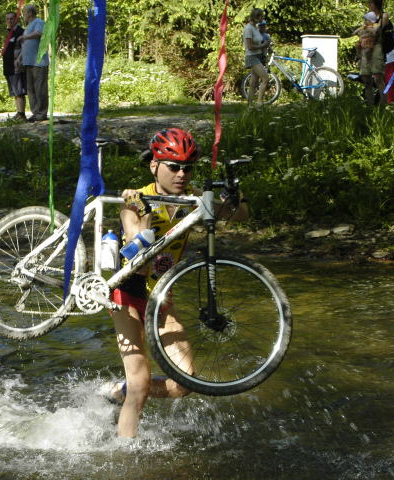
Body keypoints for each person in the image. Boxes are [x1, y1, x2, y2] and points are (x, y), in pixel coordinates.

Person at [99, 128, 248, 438]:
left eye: (188, 167)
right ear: (154, 165)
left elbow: (239, 214)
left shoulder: (194, 200)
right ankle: (125, 457)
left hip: (162, 296)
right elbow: (135, 244)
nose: (182, 174)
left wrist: (235, 193)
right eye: (174, 166)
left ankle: (118, 391)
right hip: (127, 294)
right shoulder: (134, 198)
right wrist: (141, 213)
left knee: (184, 383)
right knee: (140, 382)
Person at [16, 4, 48, 122]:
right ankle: (35, 112)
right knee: (31, 89)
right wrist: (20, 58)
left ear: (29, 13)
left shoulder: (38, 22)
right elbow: (26, 46)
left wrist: (25, 37)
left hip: (39, 62)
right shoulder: (29, 26)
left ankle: (42, 113)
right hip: (28, 62)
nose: (23, 15)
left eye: (24, 12)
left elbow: (39, 33)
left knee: (40, 88)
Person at [360, 0, 389, 106]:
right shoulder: (368, 17)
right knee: (366, 79)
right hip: (366, 49)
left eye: (371, 3)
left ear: (376, 4)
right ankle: (370, 105)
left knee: (378, 78)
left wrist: (370, 27)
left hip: (377, 48)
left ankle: (383, 105)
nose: (369, 6)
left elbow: (378, 29)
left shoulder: (383, 16)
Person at [3, 11, 27, 121]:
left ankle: (21, 114)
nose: (9, 21)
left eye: (11, 18)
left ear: (16, 19)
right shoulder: (8, 32)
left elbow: (24, 47)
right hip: (8, 66)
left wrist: (19, 59)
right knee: (14, 91)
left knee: (19, 91)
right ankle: (18, 112)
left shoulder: (20, 31)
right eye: (7, 19)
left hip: (16, 65)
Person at [243, 8, 268, 106]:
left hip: (258, 56)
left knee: (253, 82)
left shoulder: (255, 28)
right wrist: (263, 45)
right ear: (256, 17)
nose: (263, 18)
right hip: (252, 57)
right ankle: (259, 103)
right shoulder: (248, 29)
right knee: (265, 79)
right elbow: (249, 46)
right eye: (261, 16)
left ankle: (249, 105)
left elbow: (258, 41)